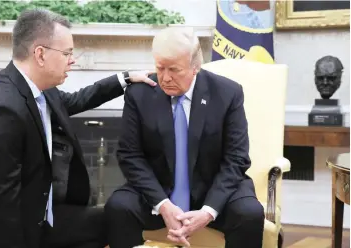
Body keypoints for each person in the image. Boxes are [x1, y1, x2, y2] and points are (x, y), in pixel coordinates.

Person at [0, 9, 156, 248]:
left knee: (115, 218)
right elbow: (0, 202)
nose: (73, 60)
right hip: (17, 230)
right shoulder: (3, 109)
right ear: (40, 54)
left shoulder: (38, 88)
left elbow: (75, 100)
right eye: (67, 53)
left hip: (43, 215)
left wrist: (125, 78)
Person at [105, 27, 265, 248]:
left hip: (212, 189)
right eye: (160, 68)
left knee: (249, 213)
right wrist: (163, 204)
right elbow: (130, 155)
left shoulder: (227, 93)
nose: (165, 77)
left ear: (195, 67)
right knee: (118, 206)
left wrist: (209, 211)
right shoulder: (139, 94)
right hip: (158, 190)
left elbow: (236, 158)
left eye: (174, 69)